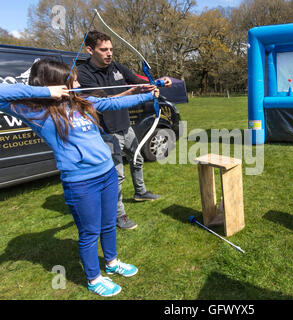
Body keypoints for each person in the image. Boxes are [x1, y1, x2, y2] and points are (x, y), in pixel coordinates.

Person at [0, 59, 160, 297]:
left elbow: (114, 102)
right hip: (81, 182)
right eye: (71, 79)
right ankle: (94, 278)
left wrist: (147, 95)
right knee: (89, 232)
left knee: (108, 224)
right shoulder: (38, 113)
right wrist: (44, 92)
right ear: (56, 83)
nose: (77, 82)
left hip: (107, 173)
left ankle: (112, 262)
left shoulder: (81, 102)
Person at [77, 30, 171, 230]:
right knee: (116, 175)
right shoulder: (83, 74)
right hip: (105, 131)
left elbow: (137, 80)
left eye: (111, 49)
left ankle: (140, 192)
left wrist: (155, 83)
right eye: (103, 50)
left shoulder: (116, 67)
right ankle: (118, 215)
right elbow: (102, 101)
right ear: (89, 50)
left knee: (137, 159)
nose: (109, 53)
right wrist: (131, 92)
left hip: (124, 125)